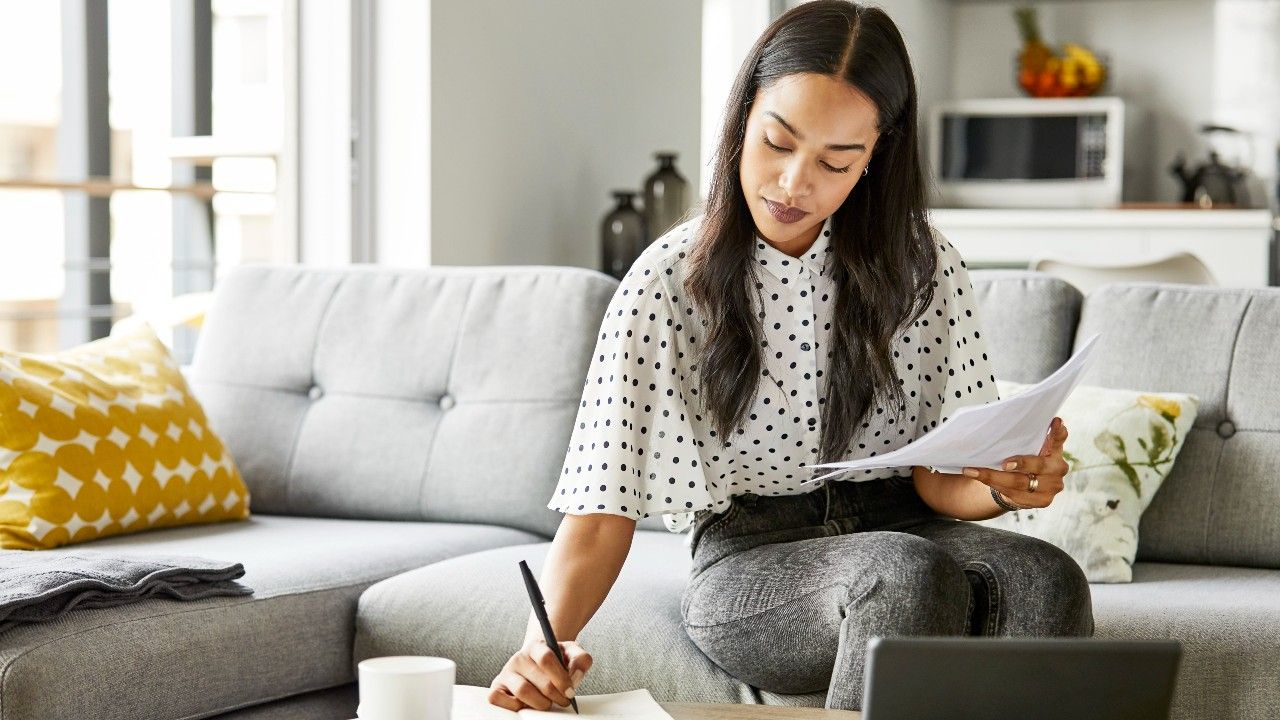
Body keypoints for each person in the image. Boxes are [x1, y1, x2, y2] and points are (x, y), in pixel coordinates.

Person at [487, 1, 1092, 712]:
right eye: (777, 143)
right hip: (750, 557)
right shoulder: (666, 283)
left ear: (876, 157)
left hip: (906, 523)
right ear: (743, 120)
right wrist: (539, 648)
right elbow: (598, 514)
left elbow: (938, 484)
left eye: (836, 161)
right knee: (899, 573)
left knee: (1046, 576)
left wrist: (1001, 484)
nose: (794, 184)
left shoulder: (924, 265)